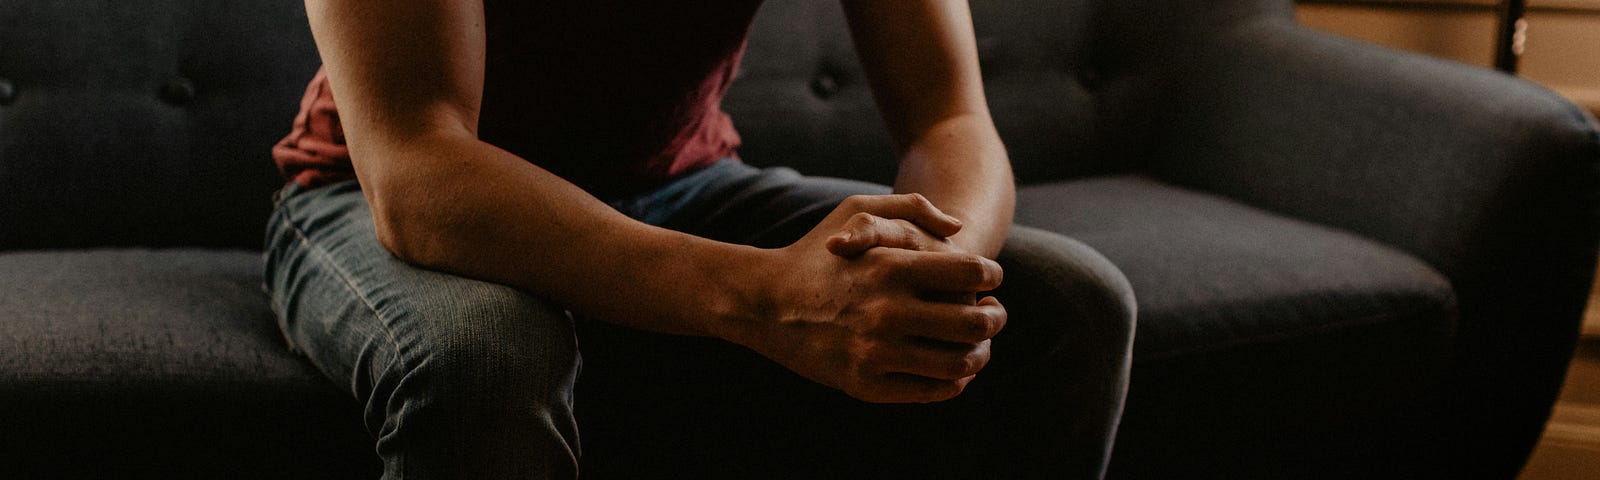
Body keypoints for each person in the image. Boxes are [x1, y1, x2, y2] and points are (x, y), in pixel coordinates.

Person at [264, 0, 1135, 478]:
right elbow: (418, 170)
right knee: (487, 360)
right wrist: (768, 299)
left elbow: (951, 116)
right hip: (375, 191)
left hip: (678, 185)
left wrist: (929, 279)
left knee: (1066, 305)